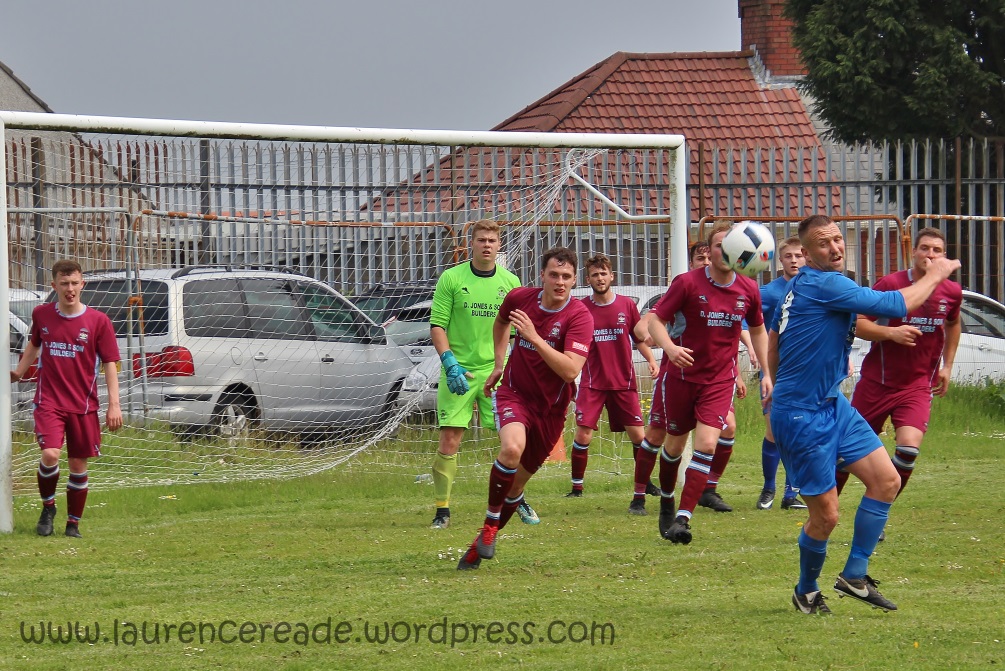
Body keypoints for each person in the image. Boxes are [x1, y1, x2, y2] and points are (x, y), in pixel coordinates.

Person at [768, 215, 960, 615]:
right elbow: (897, 305)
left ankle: (854, 575)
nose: (835, 248)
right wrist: (937, 273)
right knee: (826, 517)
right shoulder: (825, 284)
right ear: (807, 252)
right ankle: (806, 591)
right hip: (801, 415)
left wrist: (773, 380)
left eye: (838, 239)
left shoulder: (805, 285)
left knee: (887, 481)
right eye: (824, 243)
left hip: (831, 404)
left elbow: (774, 338)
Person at [457, 247, 594, 569]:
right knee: (511, 449)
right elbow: (501, 321)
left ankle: (477, 546)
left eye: (566, 277)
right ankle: (490, 527)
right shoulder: (520, 298)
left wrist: (534, 337)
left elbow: (570, 371)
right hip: (514, 394)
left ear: (575, 280)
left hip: (551, 411)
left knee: (516, 486)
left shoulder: (579, 316)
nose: (560, 282)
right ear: (542, 275)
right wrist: (498, 362)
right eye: (554, 275)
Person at [637, 223, 771, 543]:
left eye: (731, 245)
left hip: (718, 381)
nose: (725, 251)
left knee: (708, 444)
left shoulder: (748, 288)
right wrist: (670, 348)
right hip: (681, 378)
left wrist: (767, 372)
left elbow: (758, 331)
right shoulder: (687, 283)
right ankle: (667, 500)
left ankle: (683, 518)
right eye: (719, 245)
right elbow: (654, 322)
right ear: (708, 251)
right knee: (673, 447)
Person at [841, 228, 962, 522]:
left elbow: (953, 324)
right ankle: (825, 510)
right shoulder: (892, 284)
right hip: (877, 383)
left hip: (916, 387)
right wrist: (890, 333)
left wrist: (947, 366)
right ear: (914, 252)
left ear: (944, 256)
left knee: (907, 450)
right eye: (925, 248)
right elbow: (858, 323)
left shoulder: (951, 292)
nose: (930, 254)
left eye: (936, 250)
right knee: (843, 453)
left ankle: (877, 511)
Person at [11, 259, 122, 538]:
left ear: (82, 284)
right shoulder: (42, 314)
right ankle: (48, 508)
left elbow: (110, 363)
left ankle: (73, 524)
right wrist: (19, 372)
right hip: (49, 400)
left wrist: (114, 405)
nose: (70, 289)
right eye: (64, 284)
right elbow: (34, 344)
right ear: (54, 285)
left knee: (77, 465)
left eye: (74, 283)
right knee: (50, 454)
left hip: (83, 405)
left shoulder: (98, 321)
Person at [427, 219, 523, 530]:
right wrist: (450, 363)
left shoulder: (511, 282)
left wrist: (510, 365)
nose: (486, 245)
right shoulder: (452, 278)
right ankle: (442, 509)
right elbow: (437, 326)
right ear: (472, 243)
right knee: (450, 439)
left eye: (491, 241)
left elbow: (516, 332)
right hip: (461, 371)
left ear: (499, 245)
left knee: (512, 439)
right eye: (481, 240)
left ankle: (516, 497)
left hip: (497, 371)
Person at [567, 253, 658, 497]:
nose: (600, 278)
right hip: (592, 383)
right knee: (583, 434)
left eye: (603, 273)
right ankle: (576, 488)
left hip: (623, 383)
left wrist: (651, 360)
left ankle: (646, 483)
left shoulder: (626, 305)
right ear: (588, 279)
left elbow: (639, 338)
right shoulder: (581, 309)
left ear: (612, 276)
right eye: (595, 275)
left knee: (639, 436)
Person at [756, 236, 808, 511]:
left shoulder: (813, 289)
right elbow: (747, 320)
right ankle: (768, 488)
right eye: (789, 256)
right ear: (780, 260)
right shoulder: (769, 292)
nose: (794, 260)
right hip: (775, 371)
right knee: (774, 431)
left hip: (805, 372)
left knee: (798, 432)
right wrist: (755, 347)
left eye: (799, 255)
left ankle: (791, 493)